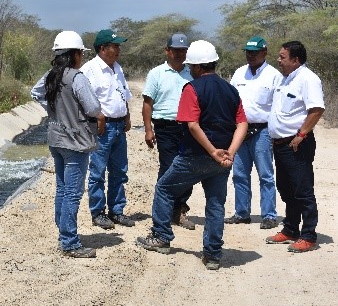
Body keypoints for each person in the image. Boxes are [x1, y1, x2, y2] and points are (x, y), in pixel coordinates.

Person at [136, 40, 248, 270]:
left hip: (195, 155)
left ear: (196, 67)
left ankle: (161, 237)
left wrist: (211, 152)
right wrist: (229, 154)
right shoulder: (230, 89)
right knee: (216, 204)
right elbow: (242, 123)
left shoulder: (192, 88)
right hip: (221, 160)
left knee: (165, 188)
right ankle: (213, 254)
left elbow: (192, 125)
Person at [30, 31, 101, 258]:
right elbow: (92, 108)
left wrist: (53, 110)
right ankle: (69, 242)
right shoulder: (77, 77)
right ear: (74, 54)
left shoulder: (51, 75)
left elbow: (35, 93)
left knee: (62, 188)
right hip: (76, 141)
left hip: (55, 138)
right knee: (73, 192)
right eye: (80, 53)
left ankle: (63, 233)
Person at [266, 41, 325, 253]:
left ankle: (308, 234)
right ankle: (290, 229)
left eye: (282, 57)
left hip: (296, 144)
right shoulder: (285, 79)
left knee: (302, 190)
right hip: (280, 144)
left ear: (295, 60)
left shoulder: (308, 79)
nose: (278, 60)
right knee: (286, 188)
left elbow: (316, 109)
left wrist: (301, 134)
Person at [80, 29, 134, 230]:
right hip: (102, 127)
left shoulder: (117, 68)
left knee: (120, 170)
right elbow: (85, 100)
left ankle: (117, 210)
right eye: (115, 46)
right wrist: (97, 118)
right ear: (103, 48)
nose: (118, 49)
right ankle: (98, 212)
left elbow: (123, 95)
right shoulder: (90, 70)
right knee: (98, 171)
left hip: (119, 125)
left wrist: (127, 115)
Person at [225, 36, 282, 229]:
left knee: (265, 175)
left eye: (255, 52)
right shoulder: (239, 73)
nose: (250, 56)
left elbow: (278, 106)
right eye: (248, 52)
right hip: (240, 131)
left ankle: (269, 215)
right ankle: (242, 213)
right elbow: (231, 100)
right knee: (239, 174)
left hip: (262, 132)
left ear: (264, 53)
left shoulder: (274, 75)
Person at [142, 32, 195, 230]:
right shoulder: (156, 73)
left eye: (183, 50)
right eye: (176, 50)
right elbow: (148, 104)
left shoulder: (192, 73)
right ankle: (163, 212)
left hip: (188, 128)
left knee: (188, 169)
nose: (180, 54)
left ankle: (179, 210)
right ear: (167, 51)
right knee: (168, 168)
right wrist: (148, 130)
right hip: (165, 128)